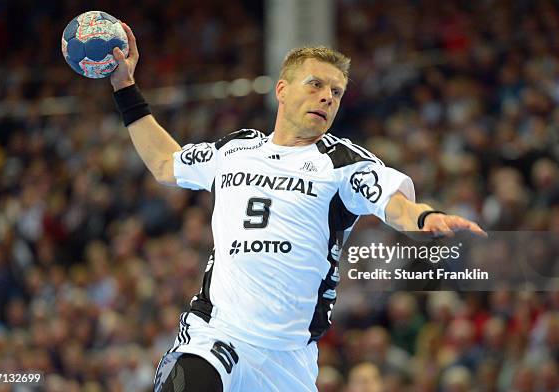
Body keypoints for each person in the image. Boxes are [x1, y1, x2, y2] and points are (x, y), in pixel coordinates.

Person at [110, 22, 486, 392]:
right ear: (282, 90)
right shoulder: (235, 151)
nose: (327, 97)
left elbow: (395, 204)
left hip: (288, 360)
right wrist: (125, 87)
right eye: (316, 85)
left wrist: (426, 217)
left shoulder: (343, 163)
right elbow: (164, 162)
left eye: (337, 92)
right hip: (216, 334)